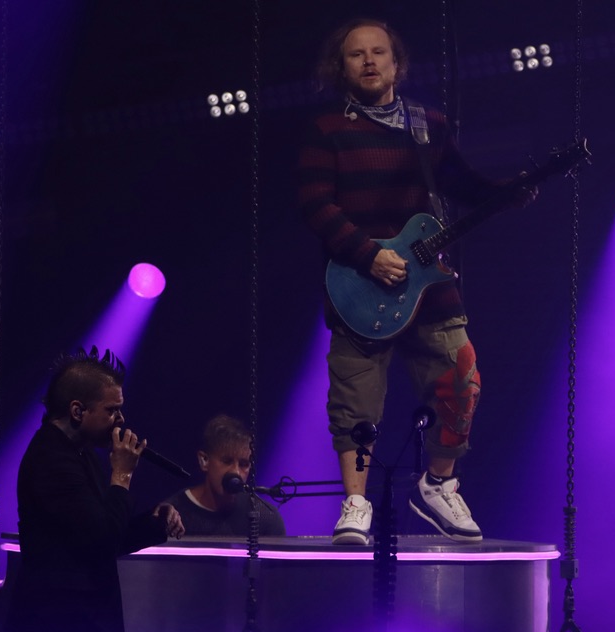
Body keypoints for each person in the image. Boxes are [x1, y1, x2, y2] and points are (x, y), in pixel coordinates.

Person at [297, 18, 535, 546]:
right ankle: (355, 502)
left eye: (378, 52)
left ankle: (438, 483)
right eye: (356, 54)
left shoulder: (429, 124)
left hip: (429, 282)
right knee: (356, 401)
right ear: (341, 67)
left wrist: (505, 192)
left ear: (397, 63)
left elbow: (461, 183)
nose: (368, 61)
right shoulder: (327, 130)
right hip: (359, 283)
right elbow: (315, 204)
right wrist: (368, 255)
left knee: (462, 378)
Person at [5, 346, 185, 632]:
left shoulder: (77, 454)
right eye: (112, 410)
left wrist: (155, 525)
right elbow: (100, 537)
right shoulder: (51, 460)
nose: (120, 420)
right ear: (77, 410)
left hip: (67, 628)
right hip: (58, 629)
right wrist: (121, 476)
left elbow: (104, 533)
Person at [162, 414, 286, 537]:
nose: (236, 472)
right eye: (227, 461)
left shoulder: (266, 518)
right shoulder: (172, 515)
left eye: (243, 464)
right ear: (204, 461)